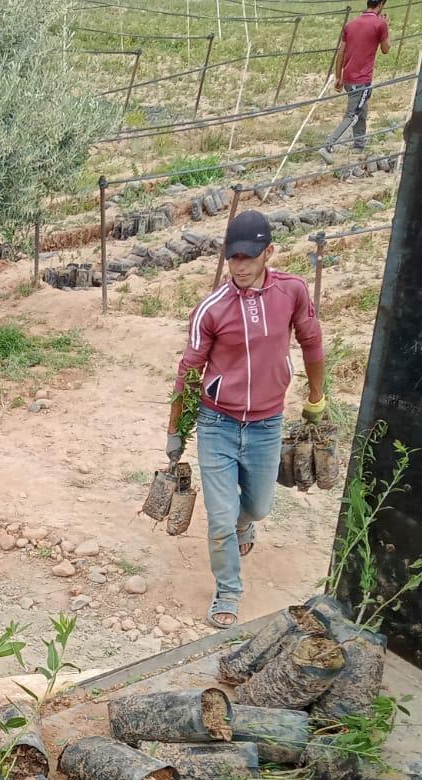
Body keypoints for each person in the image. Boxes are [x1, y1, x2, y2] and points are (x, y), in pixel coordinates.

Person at [167, 211, 326, 629]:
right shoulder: (211, 309)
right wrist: (175, 430)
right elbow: (188, 371)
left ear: (268, 253)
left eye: (249, 257)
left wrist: (316, 397)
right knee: (220, 518)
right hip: (217, 423)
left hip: (266, 423)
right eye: (233, 256)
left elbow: (311, 340)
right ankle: (229, 590)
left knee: (257, 504)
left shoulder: (291, 291)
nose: (239, 266)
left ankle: (244, 524)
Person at [320, 0, 391, 160]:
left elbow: (340, 52)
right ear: (380, 4)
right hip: (362, 80)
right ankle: (328, 146)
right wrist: (387, 26)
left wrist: (338, 76)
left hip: (348, 78)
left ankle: (359, 145)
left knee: (362, 110)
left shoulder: (350, 24)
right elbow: (386, 49)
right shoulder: (380, 24)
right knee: (352, 115)